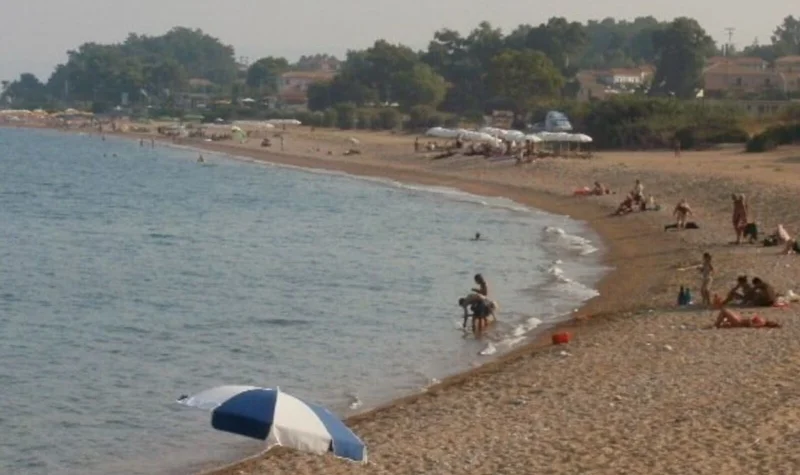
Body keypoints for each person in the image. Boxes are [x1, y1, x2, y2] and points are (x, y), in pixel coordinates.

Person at [714, 308, 780, 328]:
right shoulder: (763, 320)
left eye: (772, 323)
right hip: (740, 319)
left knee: (724, 311)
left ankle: (717, 325)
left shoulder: (762, 324)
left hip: (739, 322)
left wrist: (749, 320)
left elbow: (752, 326)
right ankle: (720, 324)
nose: (771, 321)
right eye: (773, 321)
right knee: (726, 314)